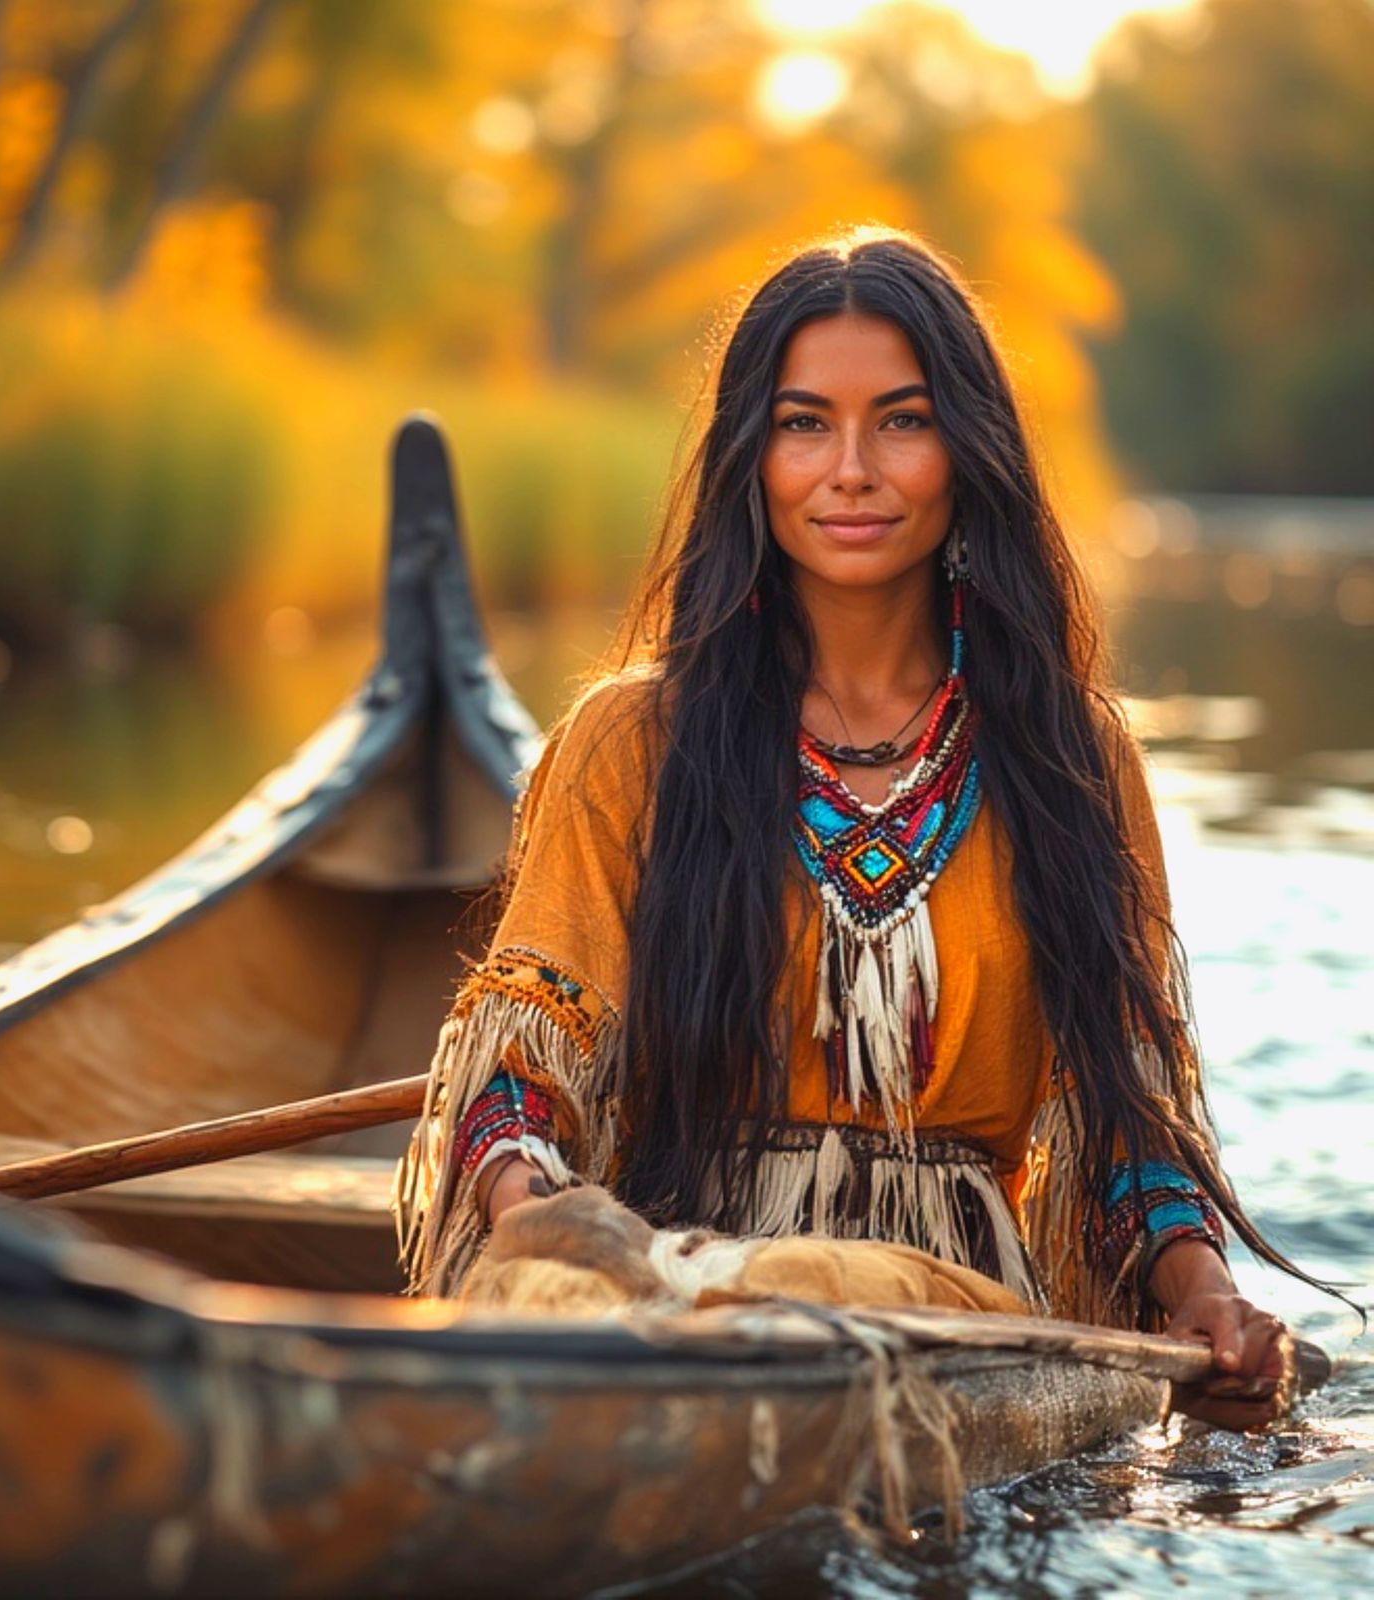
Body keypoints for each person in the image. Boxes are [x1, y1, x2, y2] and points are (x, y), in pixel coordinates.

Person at [394, 227, 1297, 1430]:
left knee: (830, 1301)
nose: (851, 469)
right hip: (671, 1283)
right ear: (750, 457)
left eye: (903, 422)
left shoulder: (1075, 757)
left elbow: (1126, 1126)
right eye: (804, 422)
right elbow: (514, 1083)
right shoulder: (631, 742)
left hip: (954, 1320)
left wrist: (1205, 1291)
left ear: (966, 451)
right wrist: (544, 1219)